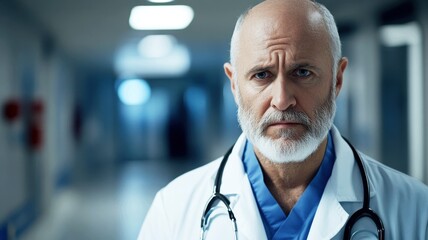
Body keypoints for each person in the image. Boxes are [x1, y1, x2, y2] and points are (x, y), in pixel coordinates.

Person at [138, 0, 428, 239]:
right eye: (261, 75)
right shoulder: (173, 210)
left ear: (337, 80)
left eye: (302, 73)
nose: (282, 99)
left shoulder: (416, 209)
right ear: (235, 85)